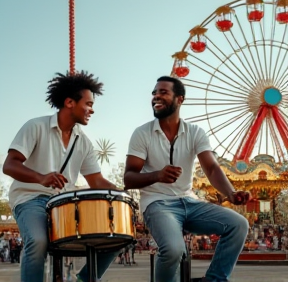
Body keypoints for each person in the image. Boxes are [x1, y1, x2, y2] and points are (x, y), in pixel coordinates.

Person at [124, 76, 251, 282]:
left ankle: (213, 280)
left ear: (179, 99)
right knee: (174, 250)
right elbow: (129, 178)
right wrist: (158, 175)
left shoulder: (195, 132)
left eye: (163, 92)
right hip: (157, 204)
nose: (156, 96)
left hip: (189, 202)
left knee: (239, 224)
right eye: (154, 93)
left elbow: (211, 167)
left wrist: (230, 192)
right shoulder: (142, 133)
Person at [2, 71, 119, 282]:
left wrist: (125, 197)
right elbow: (9, 165)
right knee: (38, 241)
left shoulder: (83, 141)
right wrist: (41, 177)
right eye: (89, 104)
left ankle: (81, 280)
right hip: (30, 199)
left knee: (116, 237)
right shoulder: (36, 126)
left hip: (64, 204)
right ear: (69, 102)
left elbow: (97, 181)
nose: (92, 110)